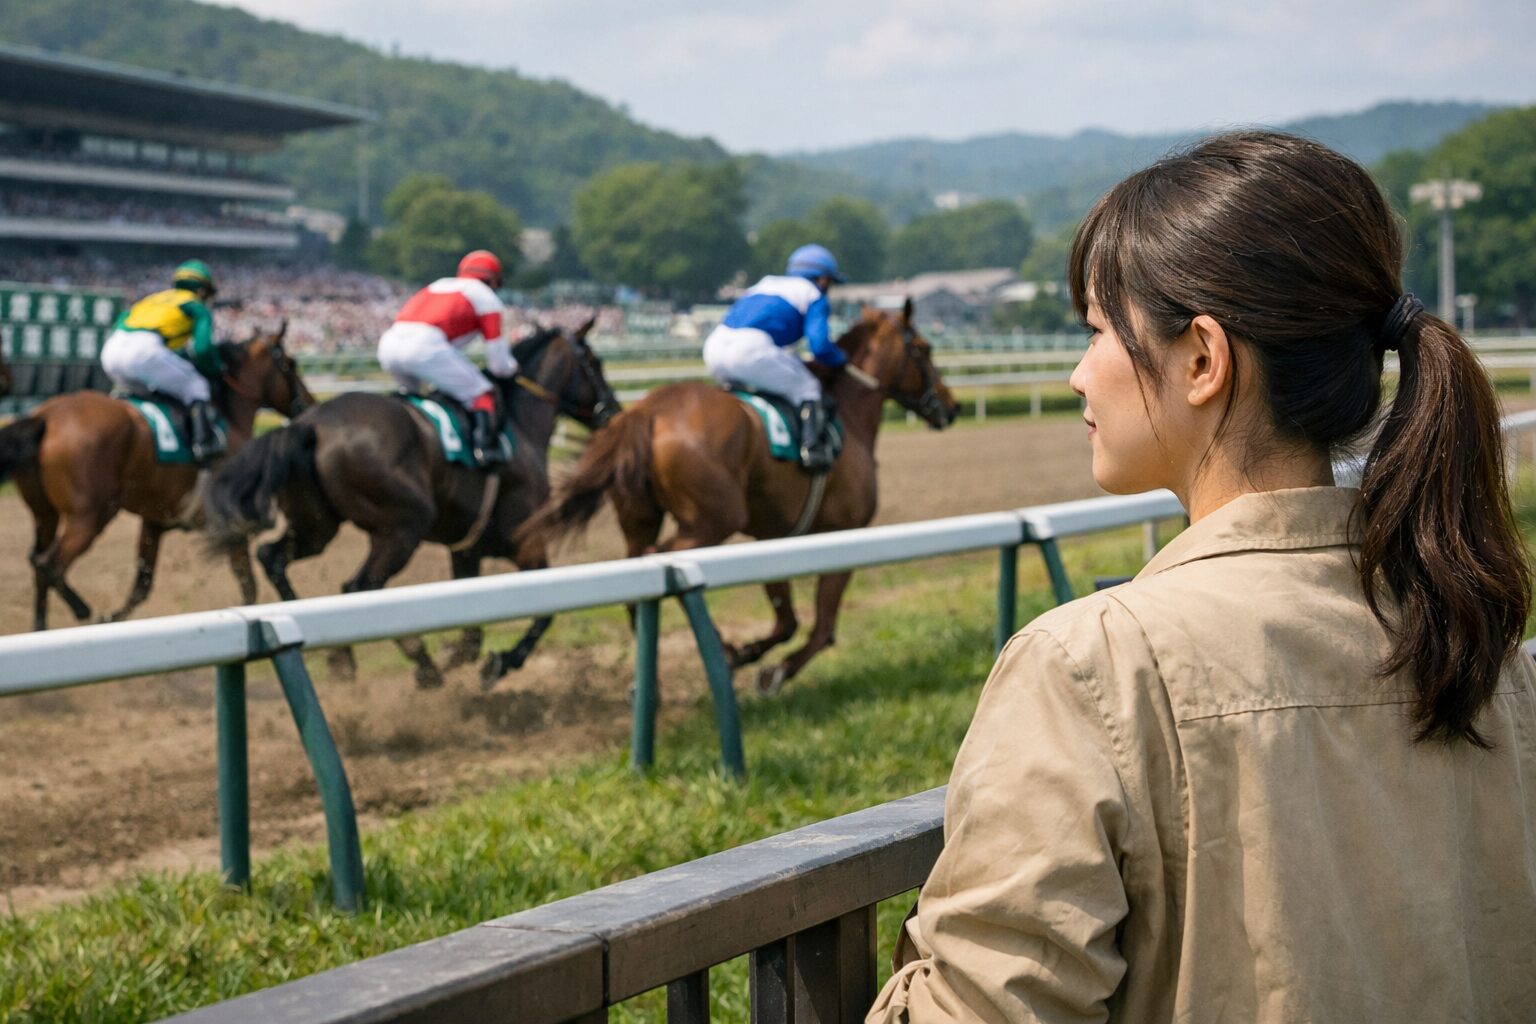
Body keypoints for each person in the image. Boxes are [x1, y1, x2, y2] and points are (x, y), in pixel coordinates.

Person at [870, 131, 1536, 1022]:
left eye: (1100, 331)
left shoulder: (1092, 665)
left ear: (1202, 361)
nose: (1078, 373)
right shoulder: (1489, 649)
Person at [704, 243, 846, 471]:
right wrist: (841, 360)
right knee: (808, 387)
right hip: (750, 351)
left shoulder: (764, 284)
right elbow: (820, 347)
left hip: (713, 348)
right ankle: (811, 448)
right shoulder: (814, 295)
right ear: (821, 279)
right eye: (829, 282)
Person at [377, 250, 517, 467]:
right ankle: (485, 451)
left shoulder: (438, 284)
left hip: (388, 345)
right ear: (493, 280)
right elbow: (498, 365)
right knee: (483, 395)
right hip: (425, 349)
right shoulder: (488, 298)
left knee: (410, 398)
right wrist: (513, 368)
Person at [100, 259, 228, 464]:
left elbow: (122, 320)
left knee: (146, 392)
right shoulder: (196, 306)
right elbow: (203, 349)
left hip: (111, 350)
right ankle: (203, 444)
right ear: (203, 291)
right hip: (145, 351)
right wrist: (217, 369)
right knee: (197, 385)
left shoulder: (151, 299)